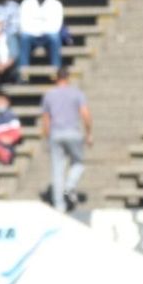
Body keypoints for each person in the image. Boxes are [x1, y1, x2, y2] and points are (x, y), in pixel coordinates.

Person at [39, 67, 91, 211]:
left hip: (55, 133)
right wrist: (89, 133)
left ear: (56, 78)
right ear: (68, 78)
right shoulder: (76, 93)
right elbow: (85, 114)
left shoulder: (49, 95)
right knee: (78, 163)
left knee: (57, 169)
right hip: (73, 132)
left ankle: (58, 205)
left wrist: (47, 136)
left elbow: (46, 119)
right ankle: (69, 186)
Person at [17, 0, 64, 75]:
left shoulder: (56, 4)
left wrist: (39, 27)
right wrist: (40, 27)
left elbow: (55, 26)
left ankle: (56, 71)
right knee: (24, 38)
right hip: (31, 35)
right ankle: (23, 73)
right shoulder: (26, 3)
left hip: (48, 35)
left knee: (55, 38)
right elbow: (23, 24)